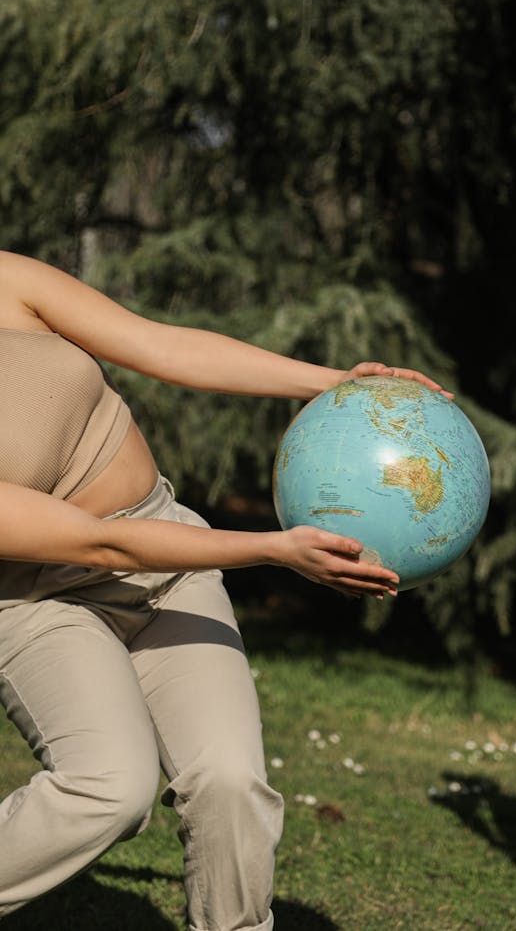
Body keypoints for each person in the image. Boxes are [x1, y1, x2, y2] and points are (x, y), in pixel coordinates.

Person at [0, 248, 452, 930]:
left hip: (165, 546)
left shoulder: (7, 280)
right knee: (108, 788)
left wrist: (333, 382)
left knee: (230, 783)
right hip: (43, 600)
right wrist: (273, 550)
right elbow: (101, 543)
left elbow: (161, 344)